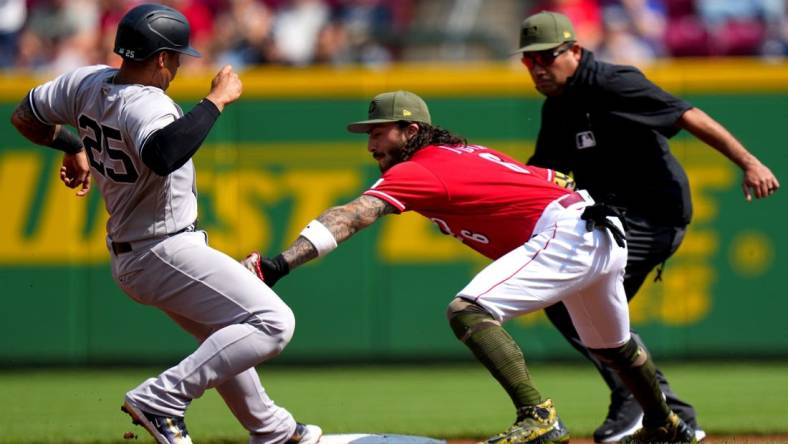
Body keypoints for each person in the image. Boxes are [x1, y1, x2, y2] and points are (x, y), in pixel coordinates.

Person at [242, 90, 698, 444]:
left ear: (410, 129)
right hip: (596, 230)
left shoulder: (419, 168)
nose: (372, 144)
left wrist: (279, 264)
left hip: (570, 231)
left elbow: (352, 216)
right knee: (614, 347)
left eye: (379, 132)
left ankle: (537, 415)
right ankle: (666, 425)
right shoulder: (463, 155)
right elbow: (546, 182)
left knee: (468, 309)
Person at [10, 4, 321, 444]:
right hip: (164, 249)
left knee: (225, 335)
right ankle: (162, 398)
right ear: (160, 59)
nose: (177, 66)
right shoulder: (149, 104)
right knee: (274, 322)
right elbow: (163, 154)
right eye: (176, 57)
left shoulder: (84, 82)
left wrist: (69, 145)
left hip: (139, 251)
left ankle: (273, 430)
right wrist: (215, 101)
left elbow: (24, 116)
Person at [513, 10, 780, 444]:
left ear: (575, 51)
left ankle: (633, 399)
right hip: (613, 220)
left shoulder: (613, 82)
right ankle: (673, 415)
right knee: (575, 308)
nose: (538, 67)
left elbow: (688, 115)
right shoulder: (558, 106)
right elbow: (542, 174)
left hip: (655, 215)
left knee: (581, 304)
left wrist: (749, 163)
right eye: (529, 60)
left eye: (547, 56)